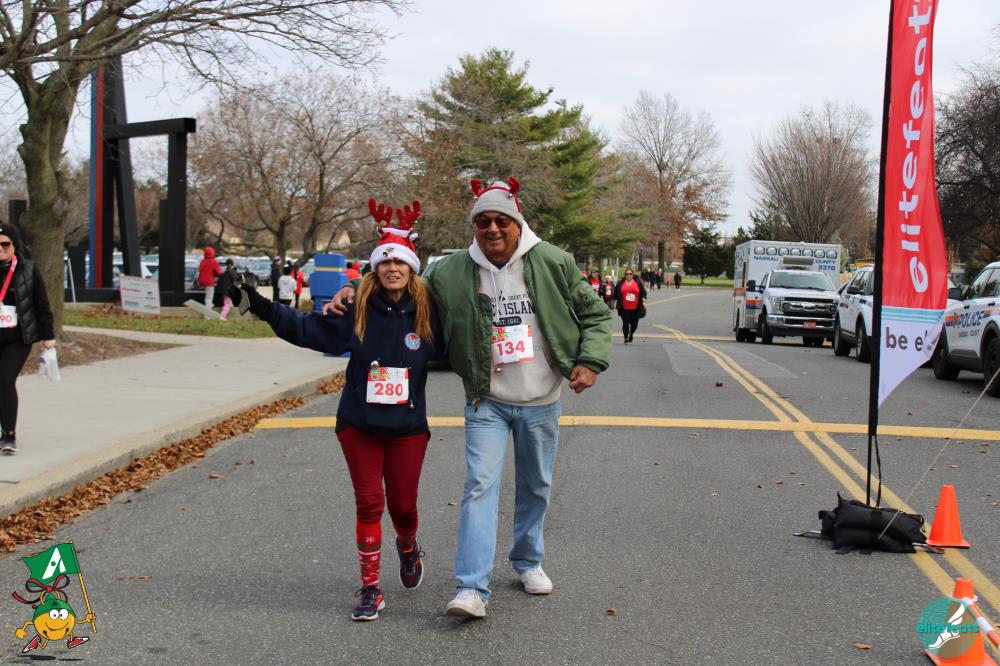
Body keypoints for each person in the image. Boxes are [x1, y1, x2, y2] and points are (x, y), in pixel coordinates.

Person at [327, 177, 612, 619]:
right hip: (486, 398)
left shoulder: (553, 262)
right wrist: (358, 284)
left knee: (535, 486)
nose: (492, 229)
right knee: (479, 486)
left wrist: (590, 361)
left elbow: (595, 314)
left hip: (540, 397)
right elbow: (401, 277)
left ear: (518, 222)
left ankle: (527, 560)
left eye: (501, 220)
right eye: (483, 222)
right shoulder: (452, 270)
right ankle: (472, 588)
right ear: (474, 227)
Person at [230, 198, 443, 621]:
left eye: (400, 262)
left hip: (407, 427)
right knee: (369, 503)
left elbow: (468, 332)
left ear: (411, 267)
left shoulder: (429, 311)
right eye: (385, 262)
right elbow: (308, 329)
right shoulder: (356, 310)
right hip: (359, 425)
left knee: (403, 506)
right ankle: (370, 588)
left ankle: (407, 545)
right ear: (375, 268)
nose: (392, 268)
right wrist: (260, 305)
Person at [0, 226, 55, 454]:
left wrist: (48, 336)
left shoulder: (28, 270)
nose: (0, 248)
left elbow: (41, 304)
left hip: (18, 339)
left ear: (14, 245)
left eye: (5, 244)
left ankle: (9, 435)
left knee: (5, 380)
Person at [614, 268, 647, 344]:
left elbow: (643, 292)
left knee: (634, 324)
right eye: (627, 274)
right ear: (625, 275)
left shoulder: (637, 282)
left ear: (633, 274)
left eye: (630, 274)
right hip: (624, 307)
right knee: (625, 323)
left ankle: (631, 333)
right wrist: (613, 303)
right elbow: (615, 293)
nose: (628, 275)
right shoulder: (620, 283)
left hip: (636, 308)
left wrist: (644, 300)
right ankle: (626, 338)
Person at [197, 247, 222, 312]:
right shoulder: (214, 262)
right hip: (209, 282)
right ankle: (207, 312)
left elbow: (199, 270)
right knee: (209, 297)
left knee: (207, 297)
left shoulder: (202, 261)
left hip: (201, 281)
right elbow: (219, 273)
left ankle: (210, 305)